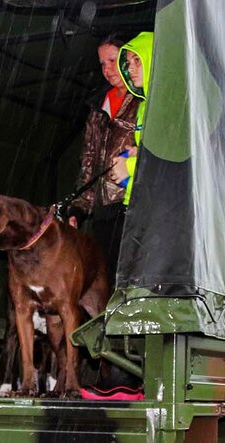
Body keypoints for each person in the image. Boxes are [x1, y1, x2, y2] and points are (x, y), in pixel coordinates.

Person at [70, 32, 155, 280]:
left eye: (114, 60)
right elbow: (89, 159)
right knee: (103, 277)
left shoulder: (144, 97)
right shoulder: (98, 107)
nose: (108, 69)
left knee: (129, 273)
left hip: (132, 202)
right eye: (102, 64)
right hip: (103, 207)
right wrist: (80, 206)